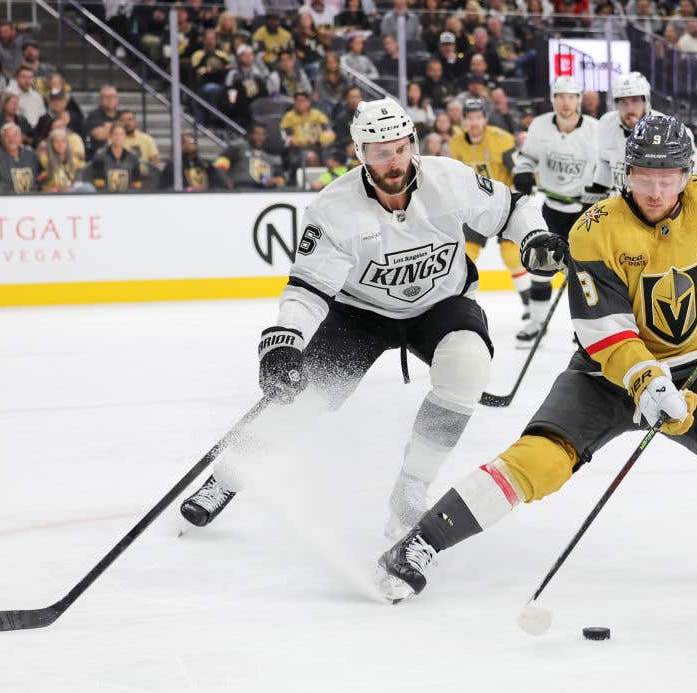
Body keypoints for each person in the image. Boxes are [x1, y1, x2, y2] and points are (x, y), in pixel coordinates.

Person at [376, 115, 697, 603]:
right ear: (626, 173)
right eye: (644, 176)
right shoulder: (594, 230)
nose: (655, 190)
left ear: (688, 174)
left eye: (667, 177)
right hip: (605, 375)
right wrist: (647, 381)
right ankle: (419, 544)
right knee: (540, 462)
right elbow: (605, 331)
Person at [178, 98, 563, 539]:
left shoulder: (448, 179)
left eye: (400, 148)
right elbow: (307, 290)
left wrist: (534, 237)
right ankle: (225, 478)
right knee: (301, 397)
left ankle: (412, 487)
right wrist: (285, 340)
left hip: (440, 304)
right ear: (359, 152)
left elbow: (512, 208)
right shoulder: (333, 208)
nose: (394, 161)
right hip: (360, 313)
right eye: (380, 152)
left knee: (468, 367)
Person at [512, 75, 600, 345]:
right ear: (553, 99)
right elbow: (527, 158)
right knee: (541, 264)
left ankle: (587, 329)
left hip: (584, 210)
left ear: (579, 100)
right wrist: (524, 172)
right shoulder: (540, 125)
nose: (565, 103)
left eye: (571, 96)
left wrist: (596, 196)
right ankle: (537, 323)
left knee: (586, 272)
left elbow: (604, 168)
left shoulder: (595, 129)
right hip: (551, 208)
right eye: (560, 97)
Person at [449, 97, 533, 339]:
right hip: (474, 209)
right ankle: (459, 306)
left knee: (510, 255)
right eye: (469, 117)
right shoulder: (456, 144)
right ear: (463, 120)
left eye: (478, 117)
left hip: (503, 205)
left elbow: (519, 168)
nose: (474, 122)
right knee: (466, 257)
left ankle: (529, 305)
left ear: (485, 118)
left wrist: (524, 179)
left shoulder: (501, 139)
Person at [590, 71, 697, 198]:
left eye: (635, 101)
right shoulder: (606, 123)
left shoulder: (669, 128)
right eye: (623, 102)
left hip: (656, 203)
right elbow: (604, 166)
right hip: (621, 205)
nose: (629, 109)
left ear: (646, 101)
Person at [213, 122, 287, 189]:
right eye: (257, 134)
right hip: (241, 189)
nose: (260, 137)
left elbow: (282, 178)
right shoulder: (238, 148)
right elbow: (219, 166)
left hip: (264, 193)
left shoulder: (269, 155)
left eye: (263, 134)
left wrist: (275, 181)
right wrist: (227, 183)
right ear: (249, 135)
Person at [0, 122, 40, 193]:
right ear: (1, 139)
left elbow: (43, 174)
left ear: (21, 138)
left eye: (15, 136)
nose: (12, 140)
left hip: (33, 198)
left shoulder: (31, 154)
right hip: (5, 198)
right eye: (7, 136)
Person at [160, 131, 225, 191]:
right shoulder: (172, 166)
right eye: (184, 142)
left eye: (192, 142)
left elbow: (217, 185)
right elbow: (164, 189)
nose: (189, 145)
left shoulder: (206, 165)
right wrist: (188, 190)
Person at [90, 121, 142, 192]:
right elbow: (98, 184)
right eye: (115, 134)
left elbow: (137, 184)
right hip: (105, 196)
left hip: (128, 196)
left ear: (125, 137)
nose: (118, 137)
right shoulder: (100, 156)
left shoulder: (133, 157)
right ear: (110, 136)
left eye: (121, 134)